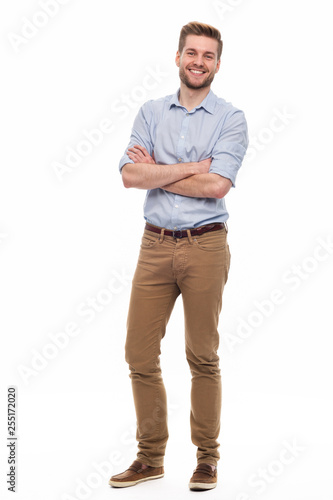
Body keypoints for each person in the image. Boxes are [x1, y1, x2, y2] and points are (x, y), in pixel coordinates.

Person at [109, 21, 248, 491]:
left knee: (201, 354)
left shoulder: (231, 119)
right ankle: (151, 458)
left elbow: (218, 185)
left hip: (206, 244)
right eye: (192, 52)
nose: (198, 61)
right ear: (177, 57)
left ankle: (207, 459)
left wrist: (156, 170)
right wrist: (188, 168)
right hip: (154, 244)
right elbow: (129, 175)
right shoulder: (150, 112)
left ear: (217, 64)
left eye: (208, 56)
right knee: (138, 353)